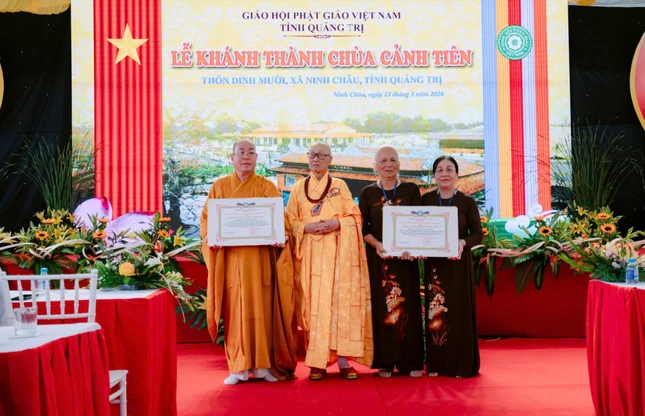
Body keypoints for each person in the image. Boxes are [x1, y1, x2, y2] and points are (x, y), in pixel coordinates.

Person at [199, 139, 298, 385]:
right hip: (232, 262)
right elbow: (207, 221)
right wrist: (211, 237)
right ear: (231, 158)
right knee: (236, 313)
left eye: (251, 152)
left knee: (262, 311)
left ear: (256, 158)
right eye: (241, 152)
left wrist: (282, 236)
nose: (246, 156)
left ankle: (262, 366)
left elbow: (282, 221)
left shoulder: (266, 186)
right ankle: (238, 367)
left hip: (261, 260)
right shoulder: (220, 186)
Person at [285, 142, 373, 381]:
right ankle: (317, 361)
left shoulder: (339, 185)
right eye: (312, 155)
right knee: (314, 307)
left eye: (321, 155)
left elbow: (355, 216)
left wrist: (337, 223)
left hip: (338, 255)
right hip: (310, 256)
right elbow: (290, 221)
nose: (316, 159)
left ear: (330, 160)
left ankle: (343, 360)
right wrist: (306, 228)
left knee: (339, 304)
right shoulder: (297, 188)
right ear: (308, 158)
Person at [358, 146, 425, 378]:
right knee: (383, 307)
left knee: (409, 306)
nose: (388, 164)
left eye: (393, 160)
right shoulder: (367, 193)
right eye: (383, 160)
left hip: (405, 260)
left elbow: (419, 223)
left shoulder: (410, 189)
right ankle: (385, 361)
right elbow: (362, 228)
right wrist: (376, 244)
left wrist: (413, 246)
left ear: (399, 164)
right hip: (380, 258)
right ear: (375, 165)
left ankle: (411, 361)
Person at [422, 156, 482, 378]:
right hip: (434, 266)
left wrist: (462, 242)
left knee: (457, 312)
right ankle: (437, 364)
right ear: (434, 176)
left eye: (449, 169)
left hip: (458, 265)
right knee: (435, 313)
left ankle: (461, 365)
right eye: (439, 170)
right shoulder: (426, 200)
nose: (444, 173)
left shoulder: (467, 202)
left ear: (457, 174)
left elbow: (478, 234)